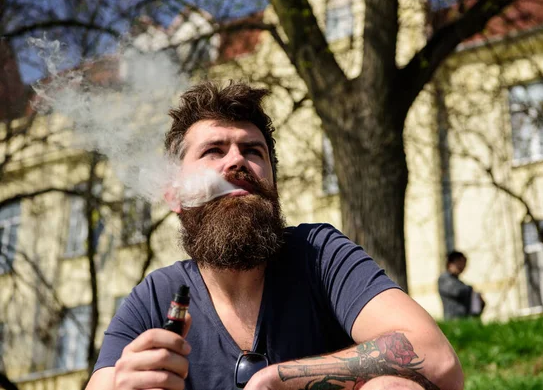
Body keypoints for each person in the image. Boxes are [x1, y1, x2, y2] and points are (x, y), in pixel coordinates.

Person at [85, 81, 464, 390]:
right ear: (174, 195)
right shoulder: (155, 297)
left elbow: (437, 358)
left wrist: (278, 379)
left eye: (253, 151)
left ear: (272, 183)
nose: (236, 161)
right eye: (213, 151)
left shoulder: (319, 254)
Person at [438, 251, 485, 320]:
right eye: (460, 262)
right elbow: (457, 292)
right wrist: (470, 290)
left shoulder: (458, 282)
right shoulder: (444, 279)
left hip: (464, 320)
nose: (463, 266)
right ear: (451, 263)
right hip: (453, 321)